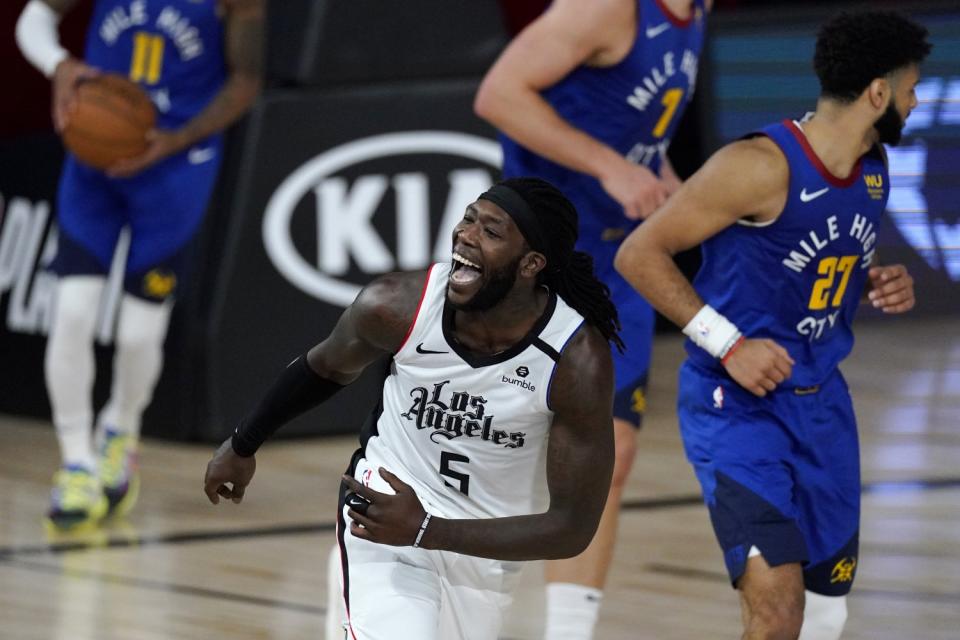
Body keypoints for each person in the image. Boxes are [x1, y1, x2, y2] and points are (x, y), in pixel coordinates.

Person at [614, 10, 929, 639]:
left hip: (822, 408)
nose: (917, 102)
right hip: (738, 407)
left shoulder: (872, 169)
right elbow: (638, 254)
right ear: (877, 93)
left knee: (826, 607)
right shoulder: (759, 164)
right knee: (778, 605)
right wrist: (728, 345)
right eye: (911, 88)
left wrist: (870, 280)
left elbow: (806, 262)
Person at [204, 178, 621, 640]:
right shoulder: (398, 306)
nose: (465, 234)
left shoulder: (574, 360)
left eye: (491, 231)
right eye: (468, 218)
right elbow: (323, 368)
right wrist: (243, 443)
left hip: (480, 551)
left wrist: (428, 530)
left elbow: (572, 529)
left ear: (531, 264)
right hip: (381, 516)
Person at [474, 1, 709, 637]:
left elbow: (641, 139)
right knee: (490, 459)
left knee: (613, 452)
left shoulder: (694, 13)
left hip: (617, 261)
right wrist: (609, 166)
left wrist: (691, 198)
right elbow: (499, 95)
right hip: (541, 260)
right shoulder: (606, 7)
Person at [15, 0, 263, 531]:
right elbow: (35, 14)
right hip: (94, 163)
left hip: (175, 167)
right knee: (72, 313)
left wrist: (176, 139)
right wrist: (58, 64)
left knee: (136, 334)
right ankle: (76, 462)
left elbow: (245, 83)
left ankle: (121, 431)